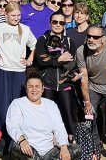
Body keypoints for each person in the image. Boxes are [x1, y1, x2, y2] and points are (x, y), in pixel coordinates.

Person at [0, 1, 36, 139]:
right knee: (2, 105)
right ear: (6, 14)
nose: (16, 18)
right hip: (2, 70)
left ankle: (16, 140)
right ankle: (0, 139)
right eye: (13, 15)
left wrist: (29, 59)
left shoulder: (25, 29)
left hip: (19, 71)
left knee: (17, 106)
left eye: (18, 15)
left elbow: (34, 45)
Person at [32, 12, 78, 142]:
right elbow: (41, 61)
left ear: (65, 24)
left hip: (64, 83)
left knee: (68, 113)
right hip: (47, 83)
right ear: (50, 23)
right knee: (48, 114)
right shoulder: (42, 40)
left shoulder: (69, 42)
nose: (58, 25)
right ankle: (48, 139)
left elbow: (71, 63)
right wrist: (60, 59)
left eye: (61, 23)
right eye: (55, 22)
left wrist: (73, 74)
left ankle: (71, 139)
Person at [76, 24, 106, 160]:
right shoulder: (81, 51)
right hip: (93, 87)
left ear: (103, 39)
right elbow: (84, 78)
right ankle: (95, 149)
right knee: (89, 117)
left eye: (96, 37)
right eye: (89, 36)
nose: (91, 39)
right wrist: (87, 102)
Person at [5, 71, 71, 160]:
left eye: (37, 86)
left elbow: (59, 127)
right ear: (26, 89)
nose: (34, 90)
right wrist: (22, 140)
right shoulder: (17, 103)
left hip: (50, 152)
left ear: (43, 88)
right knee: (15, 146)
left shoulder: (51, 105)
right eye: (30, 86)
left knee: (76, 149)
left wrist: (63, 147)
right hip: (28, 150)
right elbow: (12, 126)